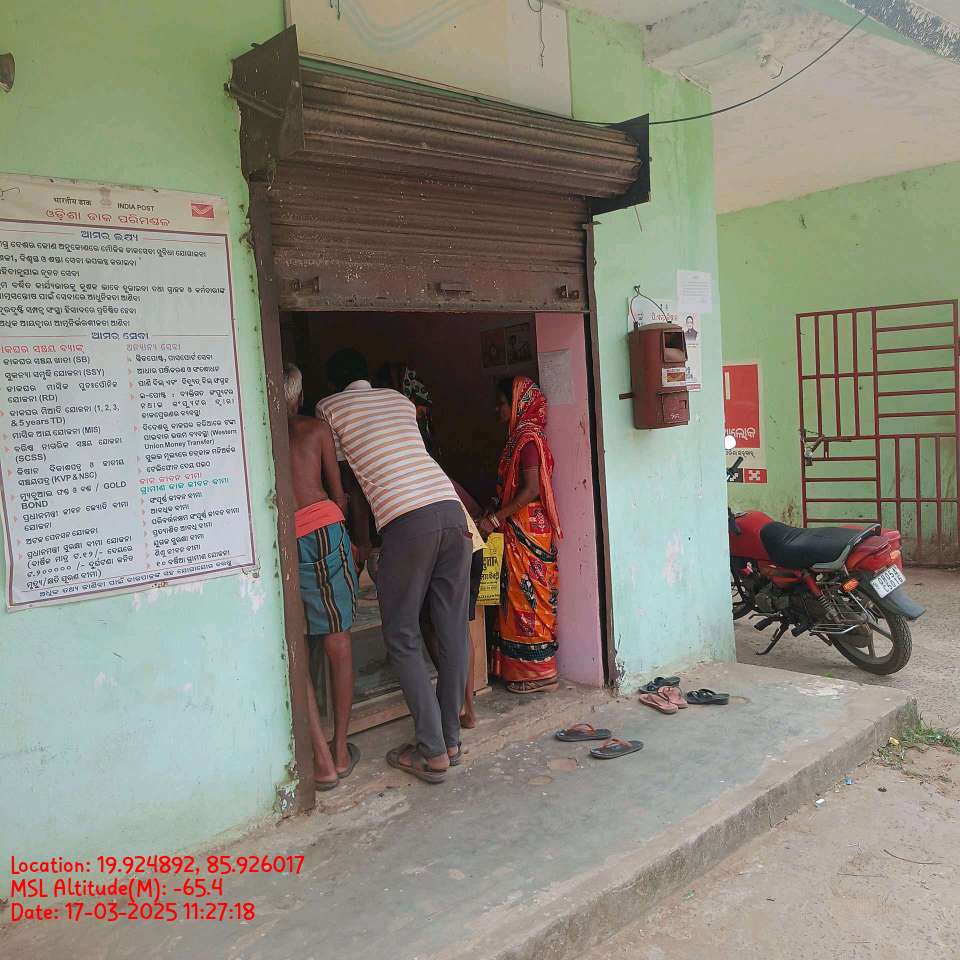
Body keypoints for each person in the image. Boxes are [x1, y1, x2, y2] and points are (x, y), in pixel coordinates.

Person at [318, 348, 471, 785]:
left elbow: (349, 482)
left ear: (332, 383)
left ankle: (432, 751)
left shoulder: (329, 408)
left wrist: (362, 541)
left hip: (407, 521)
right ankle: (450, 740)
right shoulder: (398, 400)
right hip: (451, 512)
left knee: (401, 635)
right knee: (451, 629)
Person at [285, 363, 360, 790]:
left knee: (299, 648)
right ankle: (342, 749)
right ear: (298, 395)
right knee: (338, 640)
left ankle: (321, 761)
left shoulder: (263, 435)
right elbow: (338, 491)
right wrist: (345, 535)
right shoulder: (315, 429)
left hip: (287, 539)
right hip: (325, 533)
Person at [479, 376, 562, 694]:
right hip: (518, 528)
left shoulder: (528, 440)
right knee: (516, 597)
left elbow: (530, 490)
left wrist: (496, 518)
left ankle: (539, 673)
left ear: (517, 404)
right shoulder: (518, 438)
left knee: (528, 598)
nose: (497, 409)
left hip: (527, 529)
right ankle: (520, 669)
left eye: (502, 403)